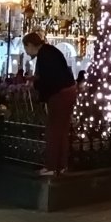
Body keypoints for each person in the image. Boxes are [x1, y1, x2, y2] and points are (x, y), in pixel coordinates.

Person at [24, 32, 76, 176]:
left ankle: (52, 166)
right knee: (62, 130)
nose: (26, 53)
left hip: (59, 94)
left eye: (26, 48)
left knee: (53, 130)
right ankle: (61, 165)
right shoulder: (50, 51)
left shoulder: (44, 55)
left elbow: (49, 80)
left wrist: (36, 85)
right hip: (68, 91)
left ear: (29, 45)